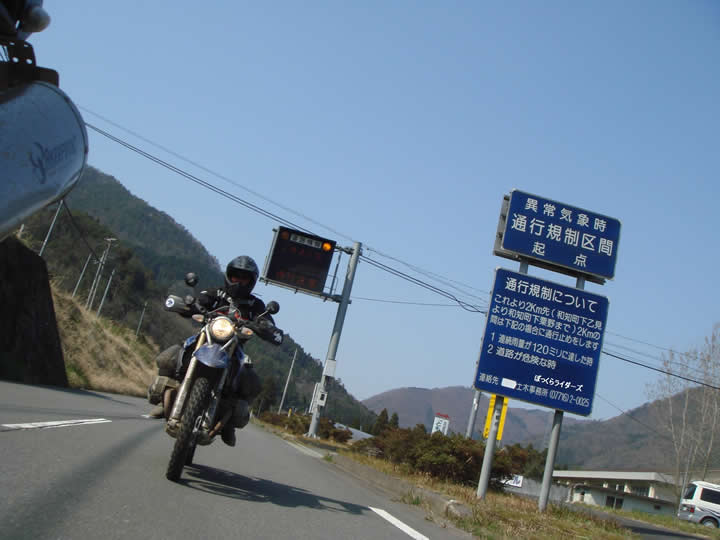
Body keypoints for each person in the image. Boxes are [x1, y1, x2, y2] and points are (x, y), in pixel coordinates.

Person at [147, 255, 281, 447]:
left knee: (251, 381)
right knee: (170, 357)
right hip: (205, 338)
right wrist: (189, 305)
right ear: (228, 276)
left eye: (244, 279)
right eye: (235, 276)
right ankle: (164, 400)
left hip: (234, 347)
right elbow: (199, 301)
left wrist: (267, 327)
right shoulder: (215, 293)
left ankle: (229, 424)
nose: (239, 282)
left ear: (251, 282)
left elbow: (266, 322)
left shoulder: (256, 305)